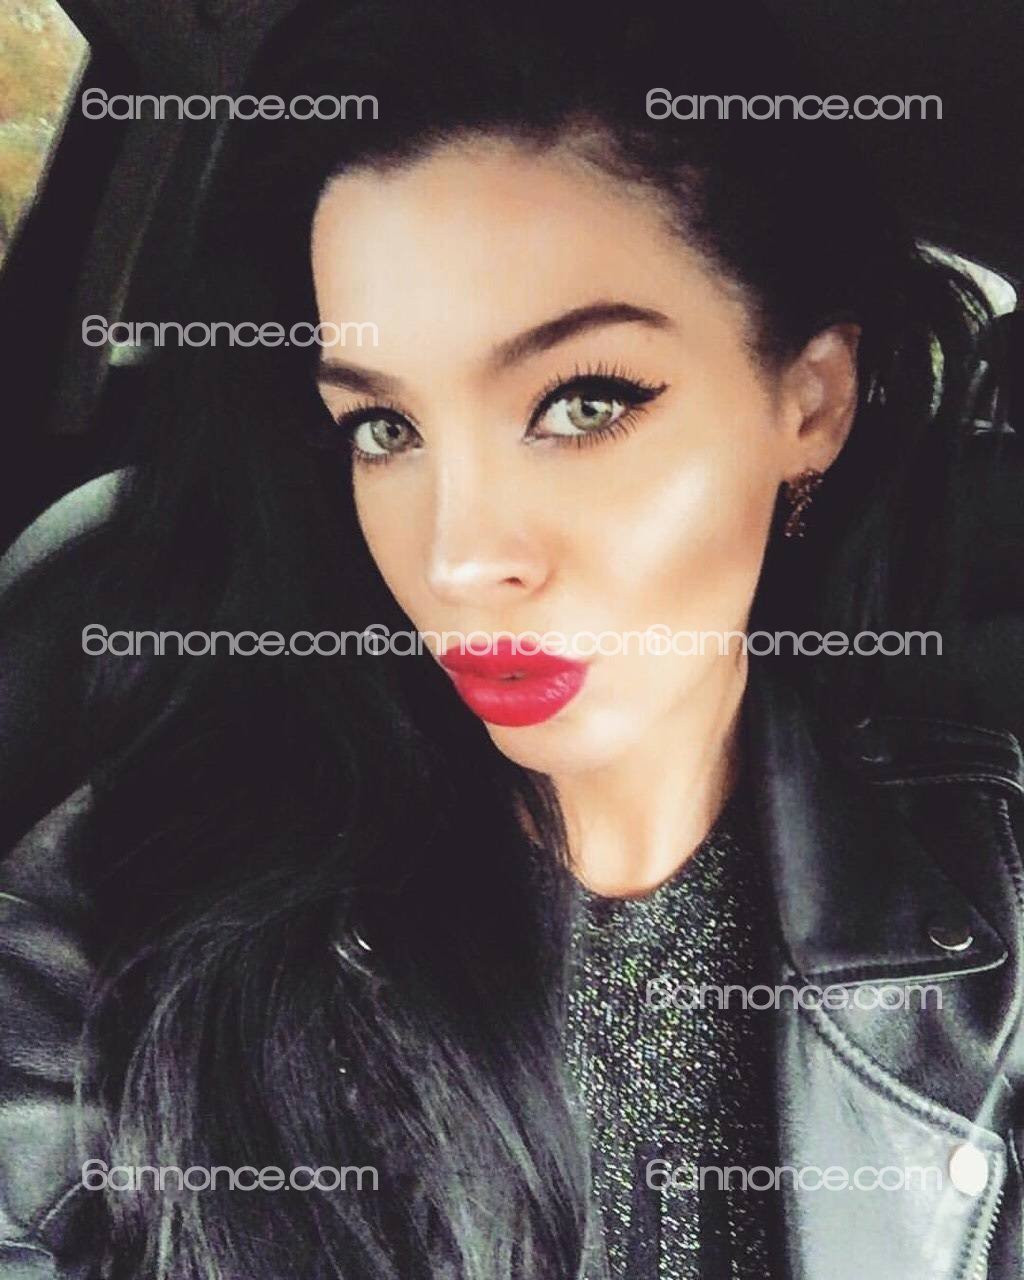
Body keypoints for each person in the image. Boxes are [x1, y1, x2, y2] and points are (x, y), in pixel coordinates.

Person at [1, 1, 1022, 1277]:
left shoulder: (986, 893)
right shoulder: (137, 906)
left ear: (808, 403)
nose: (457, 558)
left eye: (581, 403)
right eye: (385, 430)